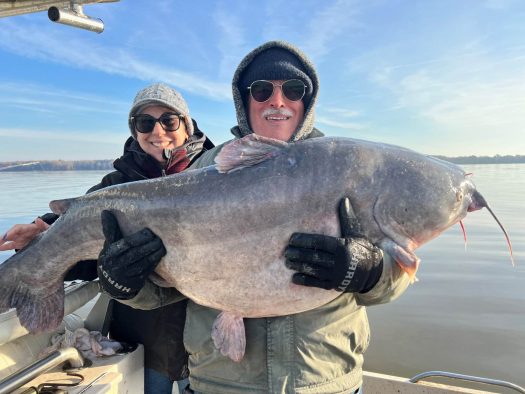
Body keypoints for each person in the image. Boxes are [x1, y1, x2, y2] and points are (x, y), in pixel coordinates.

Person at [118, 41, 411, 394]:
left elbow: (399, 273)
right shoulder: (203, 171)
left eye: (293, 89)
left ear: (308, 99)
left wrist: (369, 272)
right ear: (244, 101)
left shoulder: (348, 167)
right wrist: (125, 284)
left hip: (325, 381)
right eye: (261, 91)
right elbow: (164, 291)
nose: (277, 101)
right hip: (219, 382)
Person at [0, 82, 214, 394]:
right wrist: (44, 233)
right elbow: (84, 236)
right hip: (143, 341)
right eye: (145, 123)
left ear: (187, 124)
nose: (158, 132)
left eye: (169, 120)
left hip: (209, 341)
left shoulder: (219, 174)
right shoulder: (116, 183)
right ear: (135, 130)